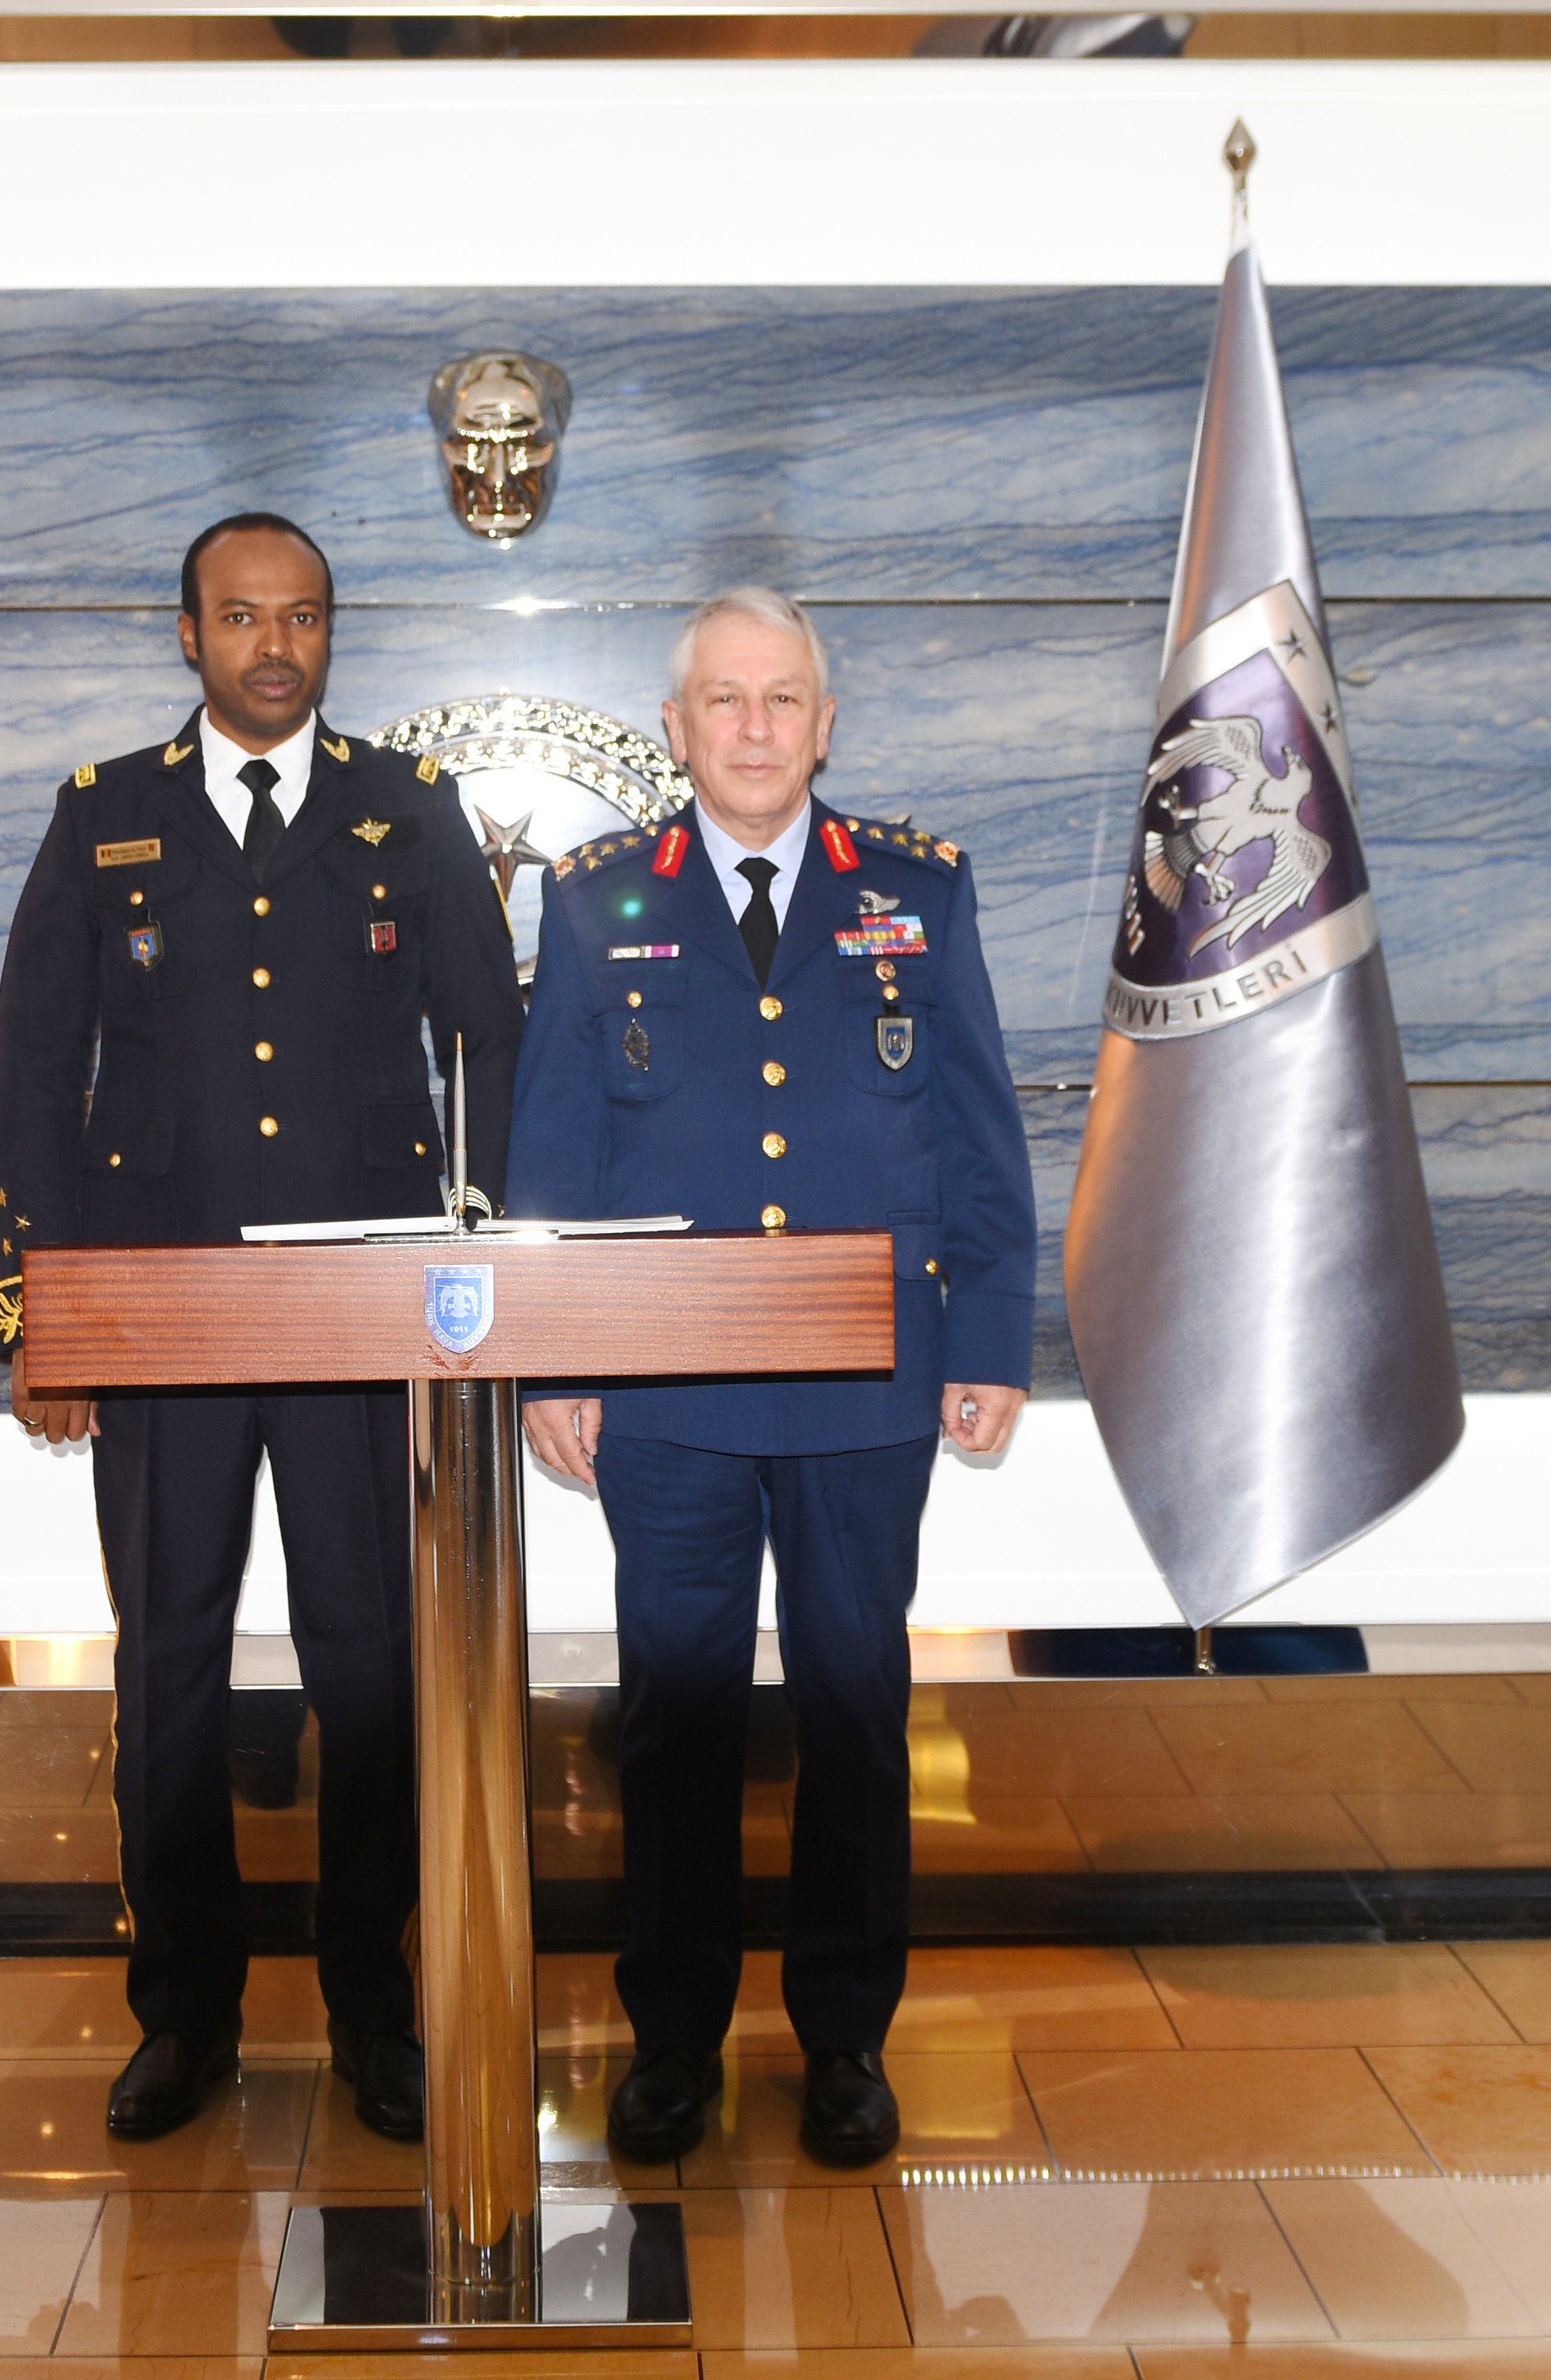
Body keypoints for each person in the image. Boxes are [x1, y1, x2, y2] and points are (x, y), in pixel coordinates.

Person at [0, 512, 525, 2143]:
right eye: (239, 617)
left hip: (362, 1312)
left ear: (326, 635)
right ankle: (186, 2018)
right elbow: (33, 1072)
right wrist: (50, 1312)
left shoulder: (400, 808)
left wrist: (480, 1273)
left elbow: (487, 1043)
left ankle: (375, 2014)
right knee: (165, 1668)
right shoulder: (107, 817)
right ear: (188, 636)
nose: (271, 645)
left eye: (298, 618)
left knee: (370, 1672)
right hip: (157, 1314)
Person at [509, 586, 1036, 2167]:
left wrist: (990, 1338)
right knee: (672, 1721)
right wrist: (551, 1361)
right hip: (659, 1389)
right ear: (674, 728)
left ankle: (845, 2043)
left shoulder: (915, 893)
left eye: (779, 699)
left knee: (855, 1711)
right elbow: (552, 1143)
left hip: (864, 1383)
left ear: (823, 721)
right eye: (720, 700)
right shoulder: (595, 897)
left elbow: (972, 1128)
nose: (750, 727)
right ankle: (671, 2043)